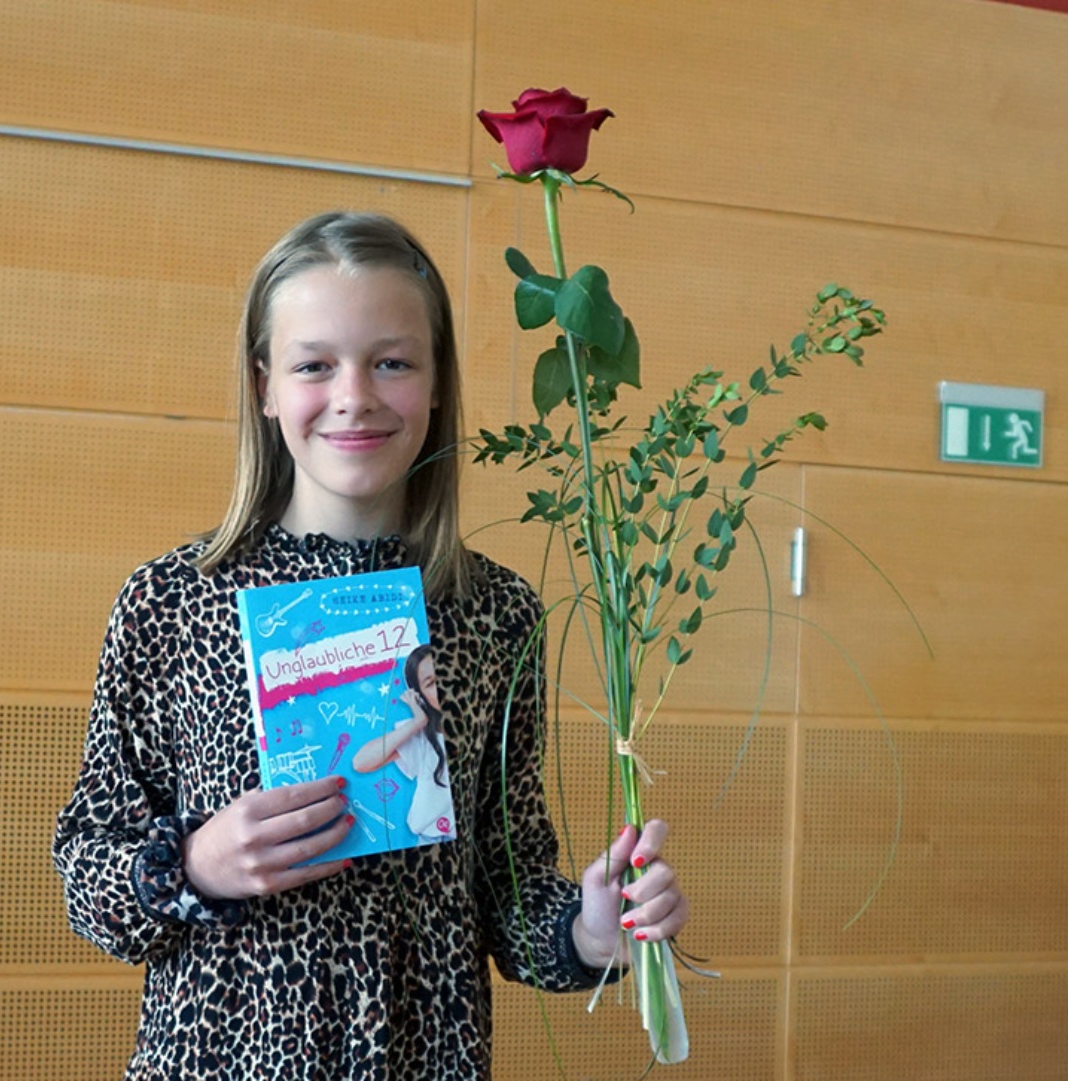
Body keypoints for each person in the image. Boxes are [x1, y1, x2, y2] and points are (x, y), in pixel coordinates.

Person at [52, 211, 688, 1079]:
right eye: (315, 364)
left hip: (428, 1058)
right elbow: (89, 871)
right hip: (218, 1057)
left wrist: (586, 928)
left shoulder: (494, 611)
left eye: (392, 361)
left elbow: (507, 885)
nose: (354, 395)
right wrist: (195, 863)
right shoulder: (173, 600)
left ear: (436, 384)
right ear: (265, 384)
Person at [352, 643, 453, 843]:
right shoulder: (424, 737)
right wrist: (417, 722)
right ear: (420, 696)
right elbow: (361, 762)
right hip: (435, 839)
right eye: (431, 683)